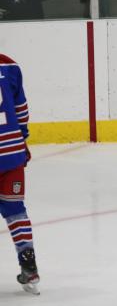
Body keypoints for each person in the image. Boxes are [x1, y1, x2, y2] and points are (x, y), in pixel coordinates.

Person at [0, 54, 40, 295]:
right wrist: (20, 139)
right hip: (11, 152)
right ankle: (29, 265)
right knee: (16, 211)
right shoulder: (10, 65)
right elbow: (21, 109)